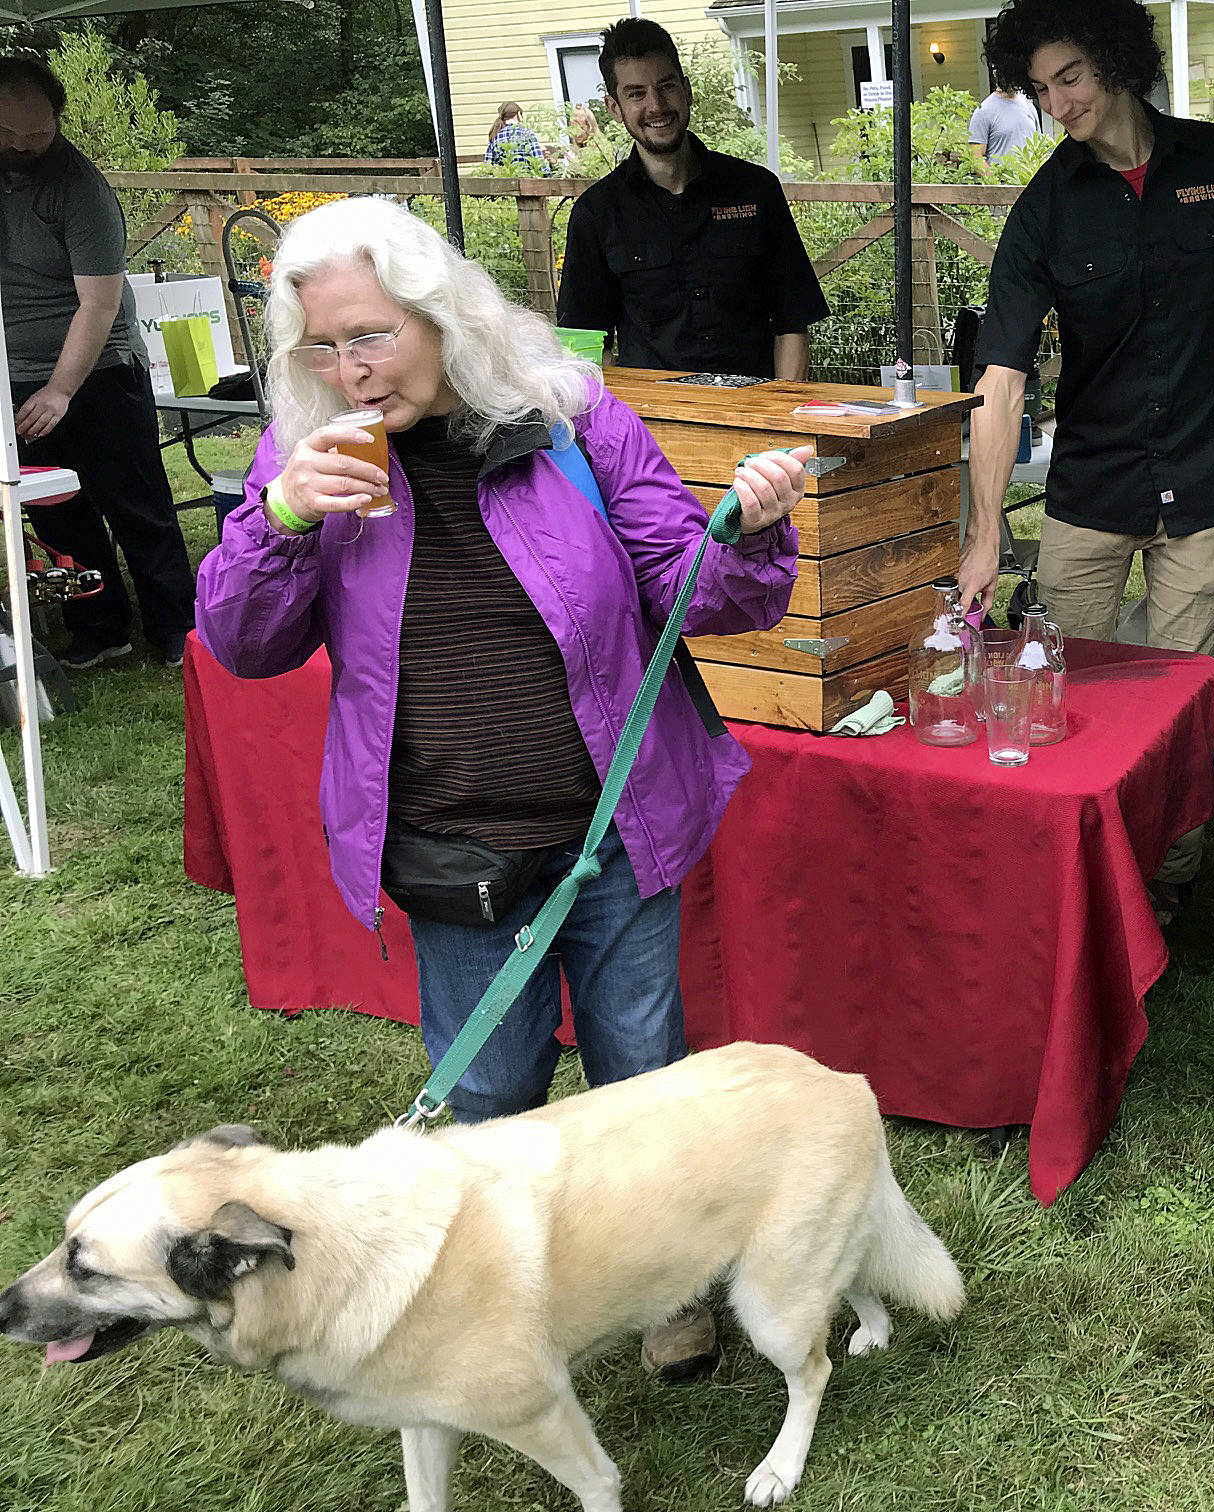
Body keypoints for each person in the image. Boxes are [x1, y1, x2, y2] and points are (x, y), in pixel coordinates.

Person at [195, 197, 810, 1384]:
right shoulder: (307, 452)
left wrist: (745, 528)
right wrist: (275, 520)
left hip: (610, 828)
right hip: (450, 845)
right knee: (492, 1094)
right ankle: (514, 1293)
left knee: (640, 1077)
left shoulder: (570, 421)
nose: (349, 369)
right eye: (319, 346)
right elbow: (243, 644)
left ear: (441, 316)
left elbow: (691, 584)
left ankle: (665, 1289)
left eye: (371, 335)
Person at [958, 0, 1214, 924]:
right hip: (1092, 484)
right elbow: (1001, 378)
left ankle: (1167, 876)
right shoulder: (1046, 208)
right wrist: (985, 530)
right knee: (1070, 688)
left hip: (1202, 477)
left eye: (1069, 77)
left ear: (1115, 61)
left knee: (1177, 688)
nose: (1057, 103)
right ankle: (1081, 872)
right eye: (1039, 89)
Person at [0, 54, 196, 670]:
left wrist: (60, 390)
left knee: (136, 506)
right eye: (7, 135)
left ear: (57, 118)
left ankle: (178, 627)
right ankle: (98, 625)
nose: (25, 147)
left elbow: (100, 303)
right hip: (15, 371)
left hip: (99, 368)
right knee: (58, 511)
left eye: (38, 134)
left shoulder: (79, 190)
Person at [556, 18, 828, 380]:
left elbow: (792, 323)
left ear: (687, 90)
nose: (655, 105)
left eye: (666, 86)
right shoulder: (596, 213)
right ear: (614, 108)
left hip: (758, 415)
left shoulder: (756, 190)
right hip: (652, 427)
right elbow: (586, 347)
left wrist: (779, 417)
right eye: (636, 93)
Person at [967, 76, 1042, 168]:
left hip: (1030, 180)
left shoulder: (1029, 105)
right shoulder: (984, 110)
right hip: (1002, 180)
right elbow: (976, 156)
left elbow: (1039, 147)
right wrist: (994, 181)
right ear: (996, 75)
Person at [482, 101, 548, 175]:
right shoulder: (527, 134)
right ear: (518, 114)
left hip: (504, 183)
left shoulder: (495, 137)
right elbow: (540, 164)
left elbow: (488, 167)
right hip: (528, 182)